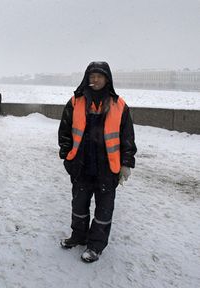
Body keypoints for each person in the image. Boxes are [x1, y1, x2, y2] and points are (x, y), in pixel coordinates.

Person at [58, 61, 137, 263]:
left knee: (104, 210)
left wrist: (126, 163)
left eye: (99, 76)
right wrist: (67, 156)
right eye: (92, 76)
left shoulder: (119, 105)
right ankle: (78, 236)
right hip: (81, 166)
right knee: (79, 205)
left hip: (108, 168)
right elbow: (65, 130)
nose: (95, 79)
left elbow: (127, 136)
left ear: (107, 79)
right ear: (86, 78)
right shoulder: (76, 101)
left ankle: (96, 245)